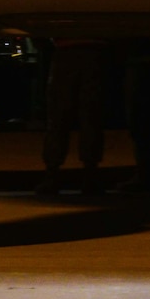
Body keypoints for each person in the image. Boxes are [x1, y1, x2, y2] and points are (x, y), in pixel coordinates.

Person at [36, 38, 107, 195]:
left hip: (66, 50)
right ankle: (90, 175)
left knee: (58, 117)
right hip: (94, 50)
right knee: (90, 117)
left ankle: (52, 174)